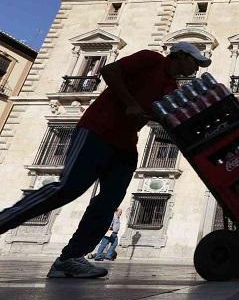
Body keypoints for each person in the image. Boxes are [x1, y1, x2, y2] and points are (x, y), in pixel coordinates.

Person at [0, 42, 211, 278]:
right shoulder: (150, 58)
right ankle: (4, 220)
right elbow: (109, 71)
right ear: (180, 56)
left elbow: (162, 117)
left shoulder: (171, 87)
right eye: (196, 61)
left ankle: (70, 258)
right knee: (68, 189)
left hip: (125, 144)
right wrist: (130, 102)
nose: (197, 67)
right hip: (97, 131)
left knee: (109, 201)